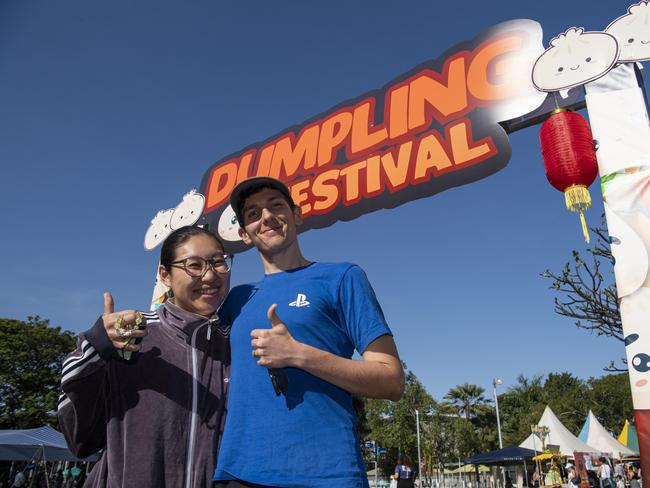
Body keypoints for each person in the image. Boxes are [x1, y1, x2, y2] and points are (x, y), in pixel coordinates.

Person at [213, 177, 405, 488]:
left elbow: (391, 380)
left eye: (276, 206)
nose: (266, 217)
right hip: (239, 473)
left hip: (324, 473)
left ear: (297, 215)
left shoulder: (342, 277)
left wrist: (299, 355)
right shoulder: (236, 299)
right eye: (253, 213)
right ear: (243, 235)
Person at [58, 226, 231, 487]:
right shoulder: (128, 332)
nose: (210, 275)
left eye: (218, 262)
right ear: (165, 275)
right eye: (193, 265)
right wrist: (96, 345)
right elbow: (77, 437)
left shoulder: (234, 345)